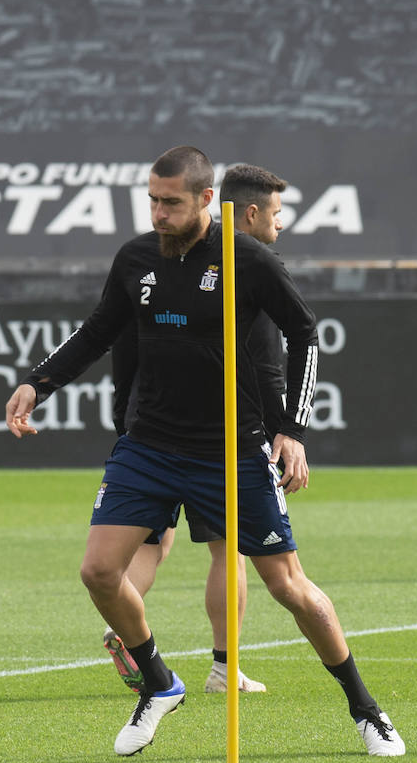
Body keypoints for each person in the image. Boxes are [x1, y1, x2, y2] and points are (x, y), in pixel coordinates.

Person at [5, 146, 404, 757]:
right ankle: (159, 683)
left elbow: (304, 332)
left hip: (232, 452)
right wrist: (40, 381)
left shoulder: (247, 258)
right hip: (149, 445)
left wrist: (292, 429)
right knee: (98, 572)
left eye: (170, 203)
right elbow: (99, 328)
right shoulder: (136, 257)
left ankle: (366, 710)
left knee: (289, 587)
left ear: (204, 201)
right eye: (151, 201)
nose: (158, 213)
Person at [103, 164, 293, 697]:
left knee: (149, 543)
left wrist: (125, 416)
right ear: (249, 212)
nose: (281, 224)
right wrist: (286, 431)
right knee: (227, 550)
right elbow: (263, 366)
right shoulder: (243, 269)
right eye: (276, 213)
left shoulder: (167, 263)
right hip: (216, 436)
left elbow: (122, 340)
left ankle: (125, 622)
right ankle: (223, 666)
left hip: (149, 430)